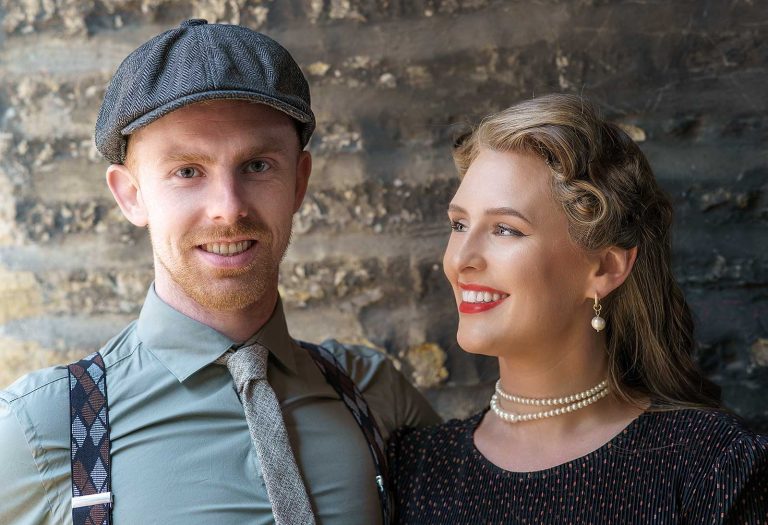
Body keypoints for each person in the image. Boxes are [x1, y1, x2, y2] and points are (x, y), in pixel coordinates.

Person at [0, 19, 439, 525]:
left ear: (299, 182)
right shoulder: (41, 429)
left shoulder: (373, 392)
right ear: (131, 194)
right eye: (187, 171)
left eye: (257, 166)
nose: (228, 209)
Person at [388, 94, 768, 524]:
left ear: (605, 268)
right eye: (459, 224)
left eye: (505, 229)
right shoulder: (415, 467)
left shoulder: (714, 466)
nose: (461, 260)